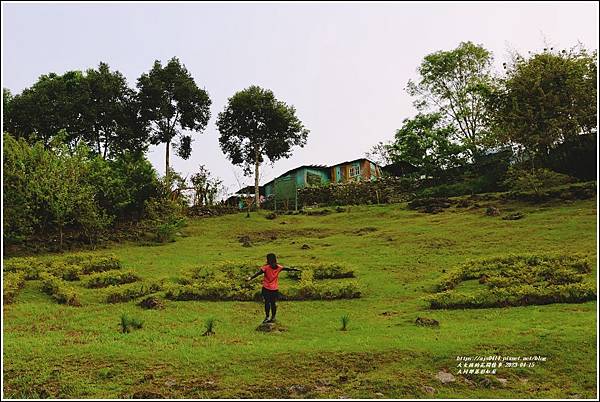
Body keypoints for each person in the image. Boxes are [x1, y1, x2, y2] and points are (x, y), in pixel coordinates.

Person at [246, 253, 301, 323]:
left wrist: (295, 269)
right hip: (268, 288)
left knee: (272, 303)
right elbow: (258, 273)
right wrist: (250, 278)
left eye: (272, 262)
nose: (272, 264)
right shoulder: (270, 267)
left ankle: (272, 317)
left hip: (272, 289)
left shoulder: (274, 267)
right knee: (268, 303)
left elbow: (287, 269)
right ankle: (268, 317)